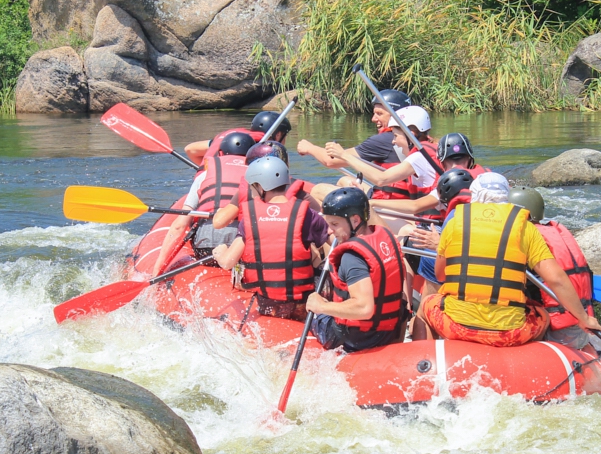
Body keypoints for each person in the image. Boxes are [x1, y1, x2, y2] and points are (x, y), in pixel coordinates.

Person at [418, 173, 601, 347]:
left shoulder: (455, 221)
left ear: (474, 195)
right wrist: (584, 319)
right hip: (510, 333)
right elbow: (556, 279)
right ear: (506, 197)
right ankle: (523, 360)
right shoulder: (525, 227)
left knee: (427, 303)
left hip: (456, 326)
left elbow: (440, 274)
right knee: (543, 317)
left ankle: (424, 358)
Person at [213, 158, 329, 321]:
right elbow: (335, 245)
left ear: (261, 187)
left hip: (268, 305)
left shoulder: (250, 218)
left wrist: (220, 252)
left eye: (252, 186)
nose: (252, 191)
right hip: (302, 305)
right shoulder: (306, 214)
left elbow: (227, 262)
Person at [306, 187, 410, 352]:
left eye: (334, 224)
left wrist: (321, 307)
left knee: (311, 311)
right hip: (389, 331)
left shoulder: (351, 257)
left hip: (357, 339)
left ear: (355, 220)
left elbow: (364, 308)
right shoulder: (385, 237)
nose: (329, 230)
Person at [151, 131, 253, 273]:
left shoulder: (205, 175)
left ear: (221, 154)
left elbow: (180, 225)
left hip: (206, 247)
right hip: (242, 248)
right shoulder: (257, 175)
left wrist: (158, 269)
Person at [509, 186, 597, 349]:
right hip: (579, 326)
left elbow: (555, 280)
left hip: (558, 333)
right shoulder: (554, 231)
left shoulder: (527, 237)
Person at [324, 106, 439, 201]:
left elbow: (381, 179)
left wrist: (344, 155)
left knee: (321, 190)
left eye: (395, 136)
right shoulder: (431, 148)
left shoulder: (418, 157)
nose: (393, 141)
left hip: (423, 223)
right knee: (344, 181)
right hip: (419, 213)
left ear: (411, 136)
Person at [297, 89, 411, 168]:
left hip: (394, 200)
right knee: (344, 181)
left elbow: (330, 161)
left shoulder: (384, 140)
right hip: (407, 194)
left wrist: (309, 148)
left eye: (379, 114)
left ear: (396, 115)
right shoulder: (416, 137)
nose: (373, 119)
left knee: (319, 189)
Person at [183, 109, 291, 167]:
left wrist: (210, 170)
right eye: (285, 136)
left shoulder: (230, 138)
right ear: (278, 135)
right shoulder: (265, 148)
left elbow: (190, 149)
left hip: (205, 183)